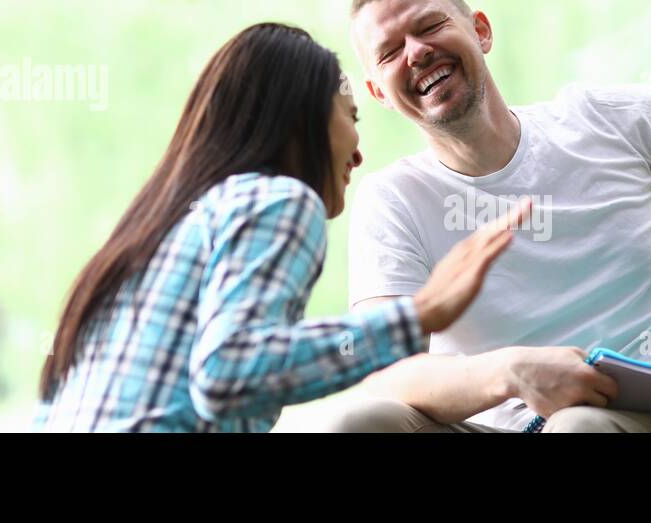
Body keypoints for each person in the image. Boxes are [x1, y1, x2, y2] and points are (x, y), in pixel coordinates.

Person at [331, 0, 651, 432]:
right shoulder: (393, 200)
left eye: (430, 25)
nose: (416, 52)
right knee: (362, 422)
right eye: (390, 51)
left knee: (577, 426)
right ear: (378, 92)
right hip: (515, 426)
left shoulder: (601, 120)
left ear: (481, 30)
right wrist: (512, 372)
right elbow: (385, 366)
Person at [34, 22, 529, 432]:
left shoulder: (156, 228)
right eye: (350, 116)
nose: (358, 151)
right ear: (302, 121)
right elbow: (228, 374)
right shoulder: (281, 200)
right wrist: (419, 315)